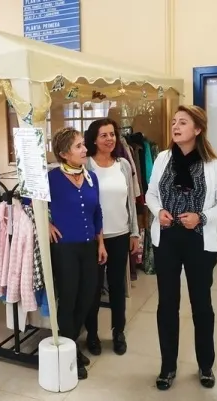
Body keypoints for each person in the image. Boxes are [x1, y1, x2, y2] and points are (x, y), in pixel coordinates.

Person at [145, 105, 217, 391]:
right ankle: (167, 366)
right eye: (174, 122)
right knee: (167, 305)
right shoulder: (163, 158)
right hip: (167, 239)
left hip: (199, 241)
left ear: (197, 129)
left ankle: (205, 365)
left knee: (201, 304)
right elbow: (150, 194)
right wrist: (158, 211)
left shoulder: (215, 164)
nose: (175, 126)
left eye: (183, 122)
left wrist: (201, 217)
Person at [48, 126, 107, 380]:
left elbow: (97, 212)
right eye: (79, 146)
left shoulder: (91, 176)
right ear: (64, 153)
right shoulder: (52, 178)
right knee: (69, 298)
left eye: (84, 144)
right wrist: (46, 223)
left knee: (88, 296)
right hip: (65, 249)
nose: (85, 149)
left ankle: (70, 343)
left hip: (89, 246)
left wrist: (101, 243)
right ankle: (68, 352)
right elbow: (28, 201)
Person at [82, 118, 140, 356]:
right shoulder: (85, 165)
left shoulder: (124, 165)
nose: (110, 139)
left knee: (117, 286)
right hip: (94, 237)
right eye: (103, 135)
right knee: (93, 288)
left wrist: (134, 232)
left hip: (120, 234)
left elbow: (131, 203)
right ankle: (92, 334)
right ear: (94, 139)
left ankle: (118, 332)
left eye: (112, 134)